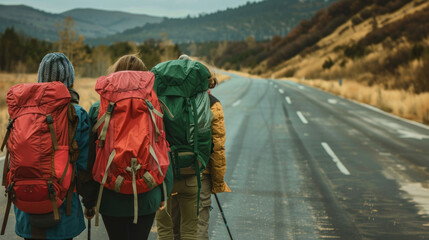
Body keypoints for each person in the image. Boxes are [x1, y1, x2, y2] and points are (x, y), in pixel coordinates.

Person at [83, 54, 173, 240]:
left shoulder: (97, 109)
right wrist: (164, 192)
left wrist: (89, 200)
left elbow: (90, 157)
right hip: (148, 192)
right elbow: (163, 148)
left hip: (109, 194)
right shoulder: (155, 107)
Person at [13, 52, 90, 240]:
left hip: (27, 205)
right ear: (69, 81)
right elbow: (83, 166)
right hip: (63, 209)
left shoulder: (21, 113)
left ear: (40, 78)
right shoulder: (76, 113)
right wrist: (90, 201)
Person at [197, 62, 231, 239]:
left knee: (173, 227)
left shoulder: (165, 100)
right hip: (202, 174)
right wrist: (217, 182)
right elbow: (217, 147)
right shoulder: (213, 104)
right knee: (199, 226)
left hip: (171, 172)